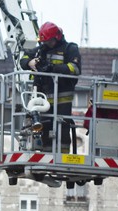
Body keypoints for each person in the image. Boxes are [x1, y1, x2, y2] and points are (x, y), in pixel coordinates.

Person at [19, 21, 81, 150]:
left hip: (62, 98)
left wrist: (52, 68)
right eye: (44, 42)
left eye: (49, 41)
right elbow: (23, 59)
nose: (46, 44)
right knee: (45, 129)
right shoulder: (41, 50)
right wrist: (30, 62)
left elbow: (75, 68)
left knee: (63, 130)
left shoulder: (70, 49)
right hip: (44, 98)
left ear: (56, 37)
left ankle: (62, 156)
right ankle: (48, 154)